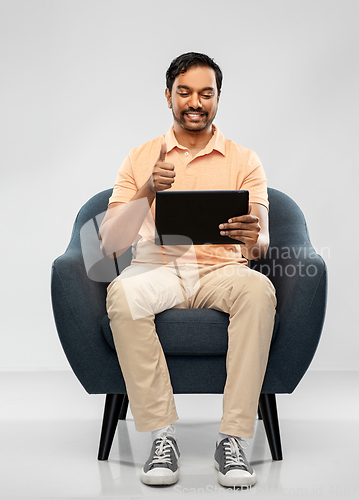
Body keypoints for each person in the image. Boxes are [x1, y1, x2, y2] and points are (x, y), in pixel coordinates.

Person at [99, 52, 276, 488]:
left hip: (222, 270)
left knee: (259, 291)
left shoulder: (244, 160)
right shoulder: (141, 157)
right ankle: (162, 436)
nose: (195, 102)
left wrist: (253, 238)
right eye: (184, 92)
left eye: (206, 93)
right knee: (122, 294)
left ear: (218, 98)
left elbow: (262, 244)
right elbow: (109, 244)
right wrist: (148, 189)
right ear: (168, 96)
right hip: (158, 268)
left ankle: (233, 439)